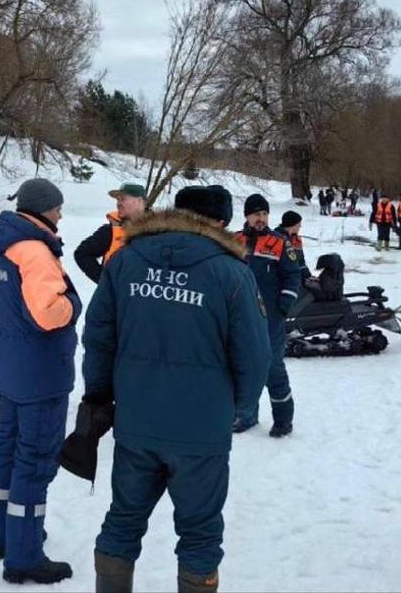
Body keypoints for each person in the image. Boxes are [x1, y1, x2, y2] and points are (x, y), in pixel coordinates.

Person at [82, 185, 269, 593]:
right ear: (219, 222)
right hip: (202, 430)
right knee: (200, 534)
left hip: (136, 420)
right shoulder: (233, 272)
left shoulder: (125, 260)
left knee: (123, 519)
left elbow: (97, 337)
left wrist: (99, 396)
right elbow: (255, 357)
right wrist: (236, 408)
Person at [0, 178, 82, 585]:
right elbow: (48, 313)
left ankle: (4, 536)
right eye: (57, 208)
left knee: (7, 450)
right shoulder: (35, 252)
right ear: (41, 209)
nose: (60, 214)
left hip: (11, 368)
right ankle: (24, 556)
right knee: (35, 461)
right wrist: (73, 304)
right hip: (41, 374)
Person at [234, 194, 299, 437]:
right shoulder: (233, 241)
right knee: (242, 366)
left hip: (270, 317)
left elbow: (293, 275)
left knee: (271, 366)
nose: (260, 218)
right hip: (240, 316)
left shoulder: (280, 242)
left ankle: (283, 419)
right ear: (247, 216)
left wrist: (285, 304)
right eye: (256, 214)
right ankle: (247, 415)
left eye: (264, 214)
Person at [74, 183, 147, 283]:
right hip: (117, 298)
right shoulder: (110, 231)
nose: (118, 203)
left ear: (139, 201)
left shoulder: (160, 230)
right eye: (118, 199)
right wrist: (106, 282)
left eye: (123, 199)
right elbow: (82, 253)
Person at [277, 210, 311, 285]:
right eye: (299, 224)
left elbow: (301, 262)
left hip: (297, 278)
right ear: (293, 224)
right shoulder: (276, 239)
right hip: (282, 281)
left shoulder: (297, 240)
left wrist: (308, 276)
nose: (300, 227)